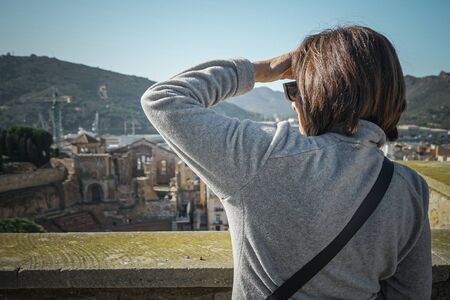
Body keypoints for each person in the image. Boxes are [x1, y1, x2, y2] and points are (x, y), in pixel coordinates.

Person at [140, 25, 431, 299]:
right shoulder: (409, 188)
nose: (293, 102)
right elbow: (410, 293)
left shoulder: (264, 156)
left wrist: (264, 70)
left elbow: (164, 99)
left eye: (296, 89)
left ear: (319, 94)